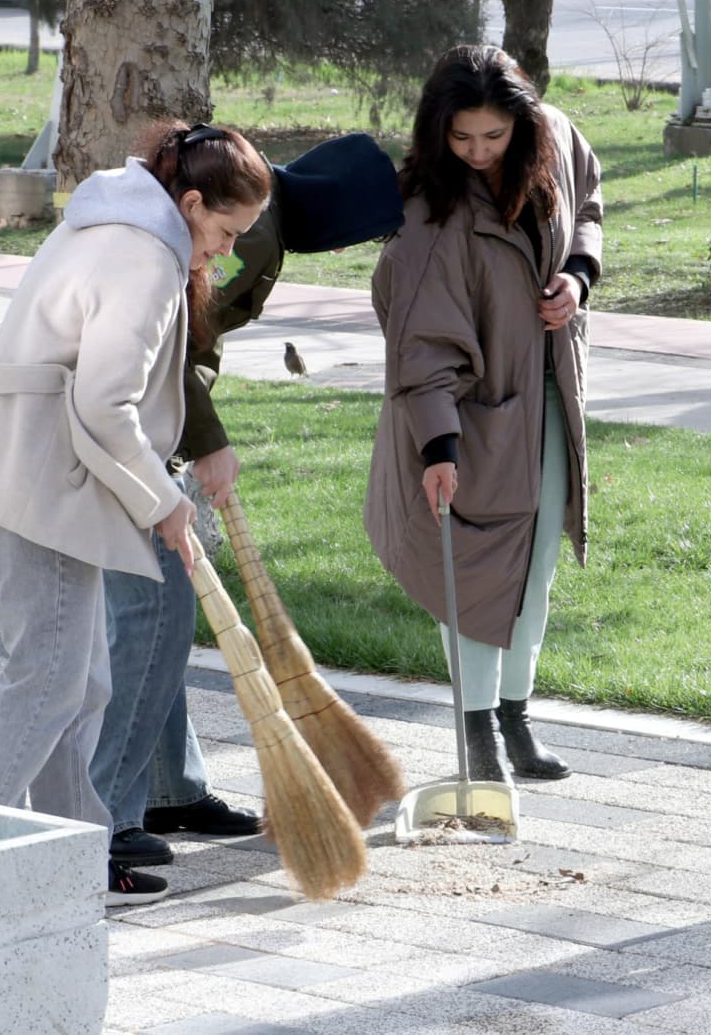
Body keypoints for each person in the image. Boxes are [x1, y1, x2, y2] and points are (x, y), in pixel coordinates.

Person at [0, 122, 272, 905]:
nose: (222, 253)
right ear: (189, 202)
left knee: (77, 682)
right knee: (48, 684)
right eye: (222, 232)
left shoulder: (112, 218)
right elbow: (105, 406)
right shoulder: (147, 259)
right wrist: (164, 501)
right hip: (42, 487)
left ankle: (75, 853)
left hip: (35, 475)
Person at [93, 133, 405, 872]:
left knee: (162, 607)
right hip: (128, 422)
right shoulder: (254, 230)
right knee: (154, 611)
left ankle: (167, 789)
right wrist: (207, 443)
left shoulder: (250, 213)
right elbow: (180, 337)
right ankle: (101, 813)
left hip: (144, 421)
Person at [365, 44, 603, 783]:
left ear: (523, 126)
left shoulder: (557, 141)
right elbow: (421, 345)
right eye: (460, 136)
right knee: (472, 574)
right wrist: (439, 447)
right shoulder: (427, 213)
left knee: (533, 570)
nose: (475, 152)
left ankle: (515, 717)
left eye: (493, 137)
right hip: (464, 421)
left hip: (551, 400)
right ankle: (476, 735)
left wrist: (579, 276)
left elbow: (590, 206)